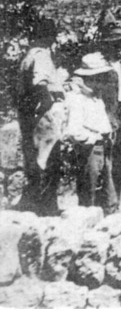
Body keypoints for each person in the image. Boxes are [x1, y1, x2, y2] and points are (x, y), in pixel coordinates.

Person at [15, 18, 65, 215]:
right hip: (42, 116)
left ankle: (40, 205)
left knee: (36, 160)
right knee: (49, 159)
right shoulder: (42, 56)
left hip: (30, 115)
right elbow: (39, 83)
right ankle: (47, 207)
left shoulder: (29, 55)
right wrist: (50, 103)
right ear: (49, 37)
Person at [70, 48, 121, 212]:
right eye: (98, 78)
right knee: (89, 181)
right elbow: (74, 129)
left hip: (103, 142)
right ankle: (86, 213)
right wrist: (91, 138)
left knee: (107, 178)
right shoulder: (78, 99)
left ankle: (109, 210)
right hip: (90, 145)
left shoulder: (97, 98)